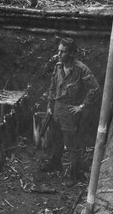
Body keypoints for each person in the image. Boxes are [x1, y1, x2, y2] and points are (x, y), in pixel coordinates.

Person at [40, 37, 100, 187]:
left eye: (63, 51)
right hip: (56, 108)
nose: (59, 54)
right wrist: (50, 104)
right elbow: (52, 86)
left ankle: (74, 174)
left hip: (70, 111)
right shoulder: (58, 67)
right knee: (56, 139)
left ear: (72, 53)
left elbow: (95, 88)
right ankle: (55, 163)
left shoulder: (81, 69)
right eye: (58, 50)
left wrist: (82, 106)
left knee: (72, 144)